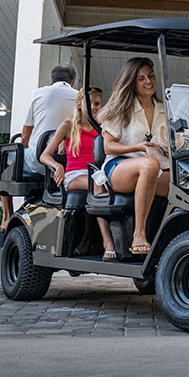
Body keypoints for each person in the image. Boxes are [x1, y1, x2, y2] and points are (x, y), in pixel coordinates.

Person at [97, 57, 169, 255]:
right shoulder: (121, 109)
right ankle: (139, 234)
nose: (148, 81)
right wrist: (136, 147)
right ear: (131, 82)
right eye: (141, 78)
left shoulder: (165, 109)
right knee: (149, 165)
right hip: (120, 167)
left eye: (151, 76)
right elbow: (108, 147)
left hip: (156, 168)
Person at [39, 88, 117, 260]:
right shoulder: (68, 125)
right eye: (90, 103)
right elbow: (44, 155)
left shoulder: (101, 127)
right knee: (97, 184)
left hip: (97, 173)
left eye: (97, 103)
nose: (94, 107)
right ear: (79, 104)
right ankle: (108, 242)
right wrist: (57, 166)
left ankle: (98, 240)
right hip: (74, 175)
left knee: (110, 182)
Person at [0, 64, 77, 233]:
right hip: (67, 162)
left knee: (2, 157)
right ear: (73, 82)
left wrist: (27, 147)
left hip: (39, 160)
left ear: (51, 80)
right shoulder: (79, 98)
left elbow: (26, 134)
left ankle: (6, 216)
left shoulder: (38, 94)